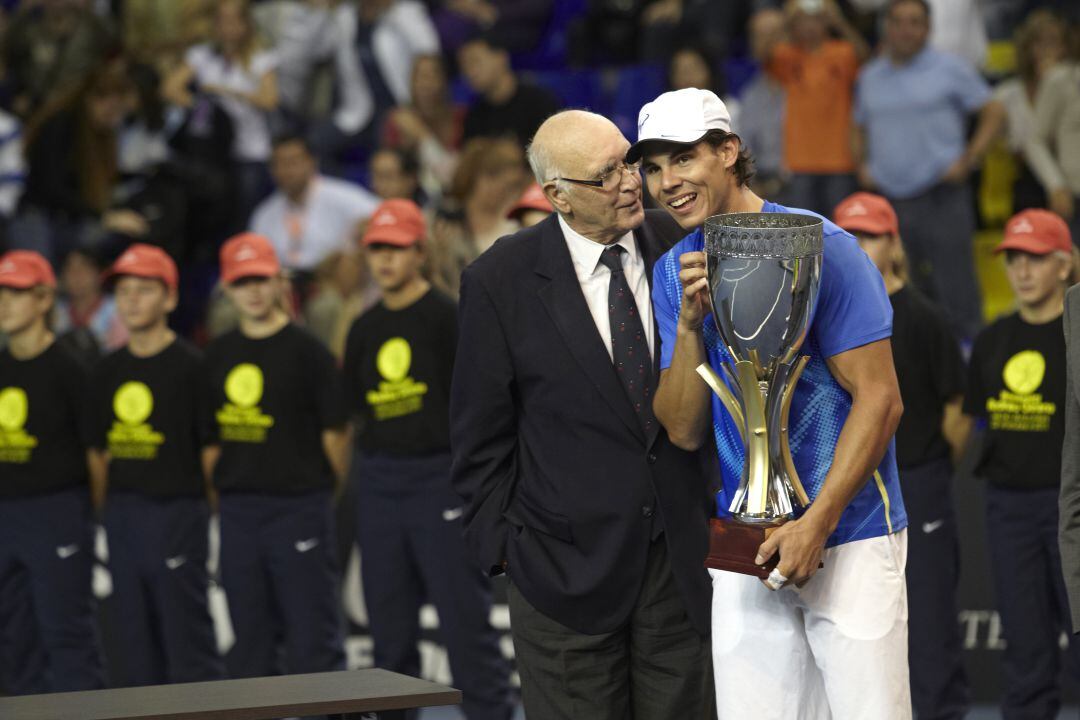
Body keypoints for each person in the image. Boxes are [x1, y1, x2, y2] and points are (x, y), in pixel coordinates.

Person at [631, 87, 908, 719]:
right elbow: (680, 430)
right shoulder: (674, 273)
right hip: (745, 542)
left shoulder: (824, 247)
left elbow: (881, 400)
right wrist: (690, 328)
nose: (667, 182)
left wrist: (818, 523)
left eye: (682, 158)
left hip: (850, 534)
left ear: (729, 151)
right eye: (652, 167)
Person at [450, 110, 713, 720]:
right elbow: (478, 437)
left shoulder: (682, 244)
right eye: (606, 175)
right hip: (561, 577)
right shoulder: (499, 281)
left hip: (677, 567)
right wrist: (508, 552)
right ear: (558, 196)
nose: (629, 182)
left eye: (629, 162)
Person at [343, 199, 512, 720]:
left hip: (440, 479)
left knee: (466, 628)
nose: (385, 260)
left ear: (420, 251)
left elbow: (478, 402)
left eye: (395, 248)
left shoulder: (447, 315)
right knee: (388, 634)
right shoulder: (362, 328)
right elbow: (357, 413)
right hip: (379, 482)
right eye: (377, 249)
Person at [833, 191, 970, 719]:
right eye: (850, 235)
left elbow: (959, 406)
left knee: (931, 616)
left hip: (917, 476)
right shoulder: (830, 315)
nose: (860, 246)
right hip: (857, 485)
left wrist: (932, 461)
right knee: (863, 616)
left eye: (870, 234)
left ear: (894, 242)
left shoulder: (925, 316)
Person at [202, 232, 349, 681]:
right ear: (227, 287)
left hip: (298, 507)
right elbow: (210, 443)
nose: (252, 290)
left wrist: (316, 497)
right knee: (249, 640)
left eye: (261, 279)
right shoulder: (216, 356)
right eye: (242, 281)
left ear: (279, 281)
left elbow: (336, 438)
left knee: (313, 639)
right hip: (238, 511)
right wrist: (223, 501)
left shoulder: (310, 354)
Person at [86, 244, 224, 687]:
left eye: (143, 290)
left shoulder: (193, 368)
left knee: (188, 647)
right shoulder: (106, 371)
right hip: (124, 517)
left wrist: (204, 515)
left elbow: (210, 452)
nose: (130, 300)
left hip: (178, 514)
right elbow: (100, 452)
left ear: (169, 298)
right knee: (131, 651)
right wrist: (108, 516)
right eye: (123, 291)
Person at [962, 209, 1080, 719]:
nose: (1022, 270)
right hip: (1009, 508)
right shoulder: (991, 340)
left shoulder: (1076, 337)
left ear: (1065, 264)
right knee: (1025, 645)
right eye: (1013, 258)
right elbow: (973, 422)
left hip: (1069, 510)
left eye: (1034, 257)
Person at [853, 0, 1002, 340]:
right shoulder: (870, 75)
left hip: (942, 196)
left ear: (928, 28)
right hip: (889, 202)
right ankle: (919, 380)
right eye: (898, 22)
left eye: (914, 22)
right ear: (885, 27)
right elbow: (857, 123)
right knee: (902, 297)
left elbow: (994, 110)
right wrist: (862, 164)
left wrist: (971, 157)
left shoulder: (950, 68)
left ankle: (971, 380)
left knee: (958, 293)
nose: (905, 30)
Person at [0, 250, 105, 694]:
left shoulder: (71, 370)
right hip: (6, 514)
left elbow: (98, 457)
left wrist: (85, 519)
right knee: (12, 638)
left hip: (58, 511)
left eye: (17, 292)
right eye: (0, 293)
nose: (4, 303)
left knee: (67, 636)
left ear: (44, 300)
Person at [162, 0, 279, 229]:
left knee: (246, 210)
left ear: (246, 24)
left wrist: (224, 92)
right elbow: (170, 88)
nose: (227, 27)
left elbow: (269, 100)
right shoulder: (201, 55)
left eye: (234, 21)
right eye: (221, 21)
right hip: (212, 149)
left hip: (249, 147)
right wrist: (201, 104)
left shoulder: (260, 58)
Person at [761, 0, 867, 216]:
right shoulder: (787, 55)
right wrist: (784, 21)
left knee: (842, 227)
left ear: (826, 22)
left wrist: (839, 22)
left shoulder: (843, 52)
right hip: (800, 161)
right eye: (802, 21)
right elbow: (762, 55)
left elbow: (866, 58)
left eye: (816, 20)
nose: (809, 27)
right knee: (803, 234)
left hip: (840, 159)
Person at [250, 135, 379, 276]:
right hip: (287, 286)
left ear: (312, 162)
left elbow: (384, 215)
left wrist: (354, 243)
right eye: (279, 164)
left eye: (293, 162)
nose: (287, 171)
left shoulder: (343, 197)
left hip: (333, 284)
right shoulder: (264, 215)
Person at [458, 33, 560, 146]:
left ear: (501, 57)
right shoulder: (475, 116)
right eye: (464, 66)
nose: (469, 72)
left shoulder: (540, 101)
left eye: (475, 61)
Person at [54, 248, 128, 356]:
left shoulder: (117, 309)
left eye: (84, 269)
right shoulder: (55, 311)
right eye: (70, 269)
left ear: (100, 274)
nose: (76, 275)